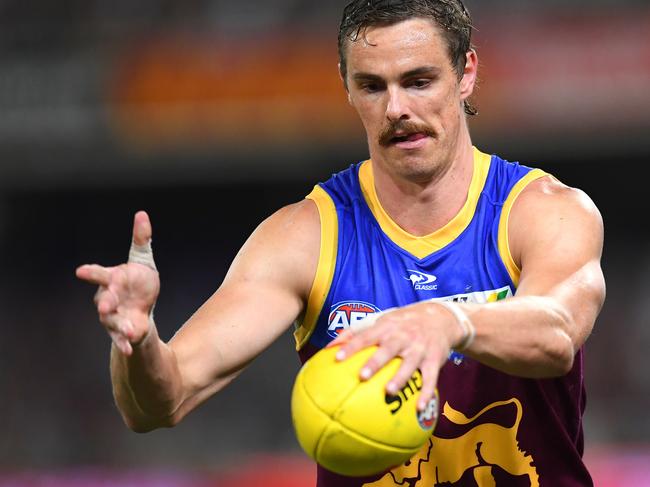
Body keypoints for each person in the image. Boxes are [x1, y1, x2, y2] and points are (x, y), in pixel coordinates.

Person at [76, 1, 606, 485]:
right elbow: (157, 404)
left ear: (465, 73)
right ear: (346, 86)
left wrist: (449, 322)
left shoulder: (543, 211)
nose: (396, 107)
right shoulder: (305, 237)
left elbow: (557, 334)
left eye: (418, 81)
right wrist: (139, 343)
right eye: (373, 86)